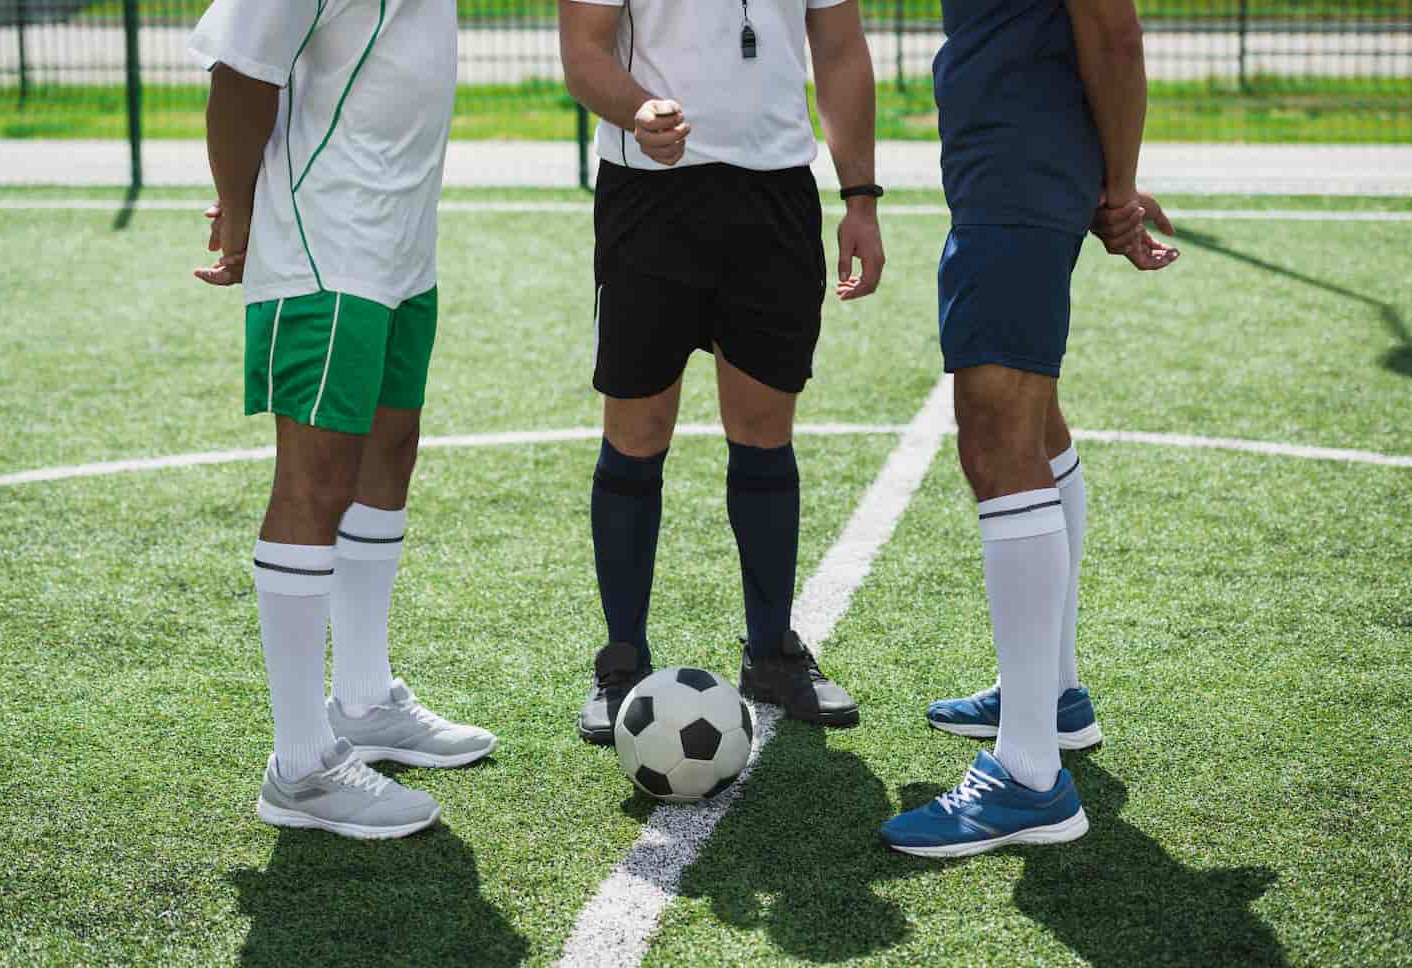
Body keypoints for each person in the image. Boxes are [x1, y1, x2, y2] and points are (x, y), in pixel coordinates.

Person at [189, 0, 496, 840]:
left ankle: (362, 701)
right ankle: (300, 767)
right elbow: (241, 72)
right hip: (326, 243)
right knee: (315, 481)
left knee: (389, 454)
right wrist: (239, 207)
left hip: (402, 241)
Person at [880, 0, 1179, 857]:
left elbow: (1111, 30)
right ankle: (1051, 697)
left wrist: (1116, 188)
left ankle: (1030, 777)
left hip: (1018, 170)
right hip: (1013, 166)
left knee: (997, 437)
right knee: (1033, 422)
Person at [559, 0, 886, 744]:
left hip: (776, 198)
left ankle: (771, 652)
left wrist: (860, 197)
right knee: (637, 432)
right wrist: (640, 109)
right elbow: (583, 52)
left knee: (765, 430)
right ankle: (622, 661)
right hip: (649, 197)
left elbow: (839, 50)